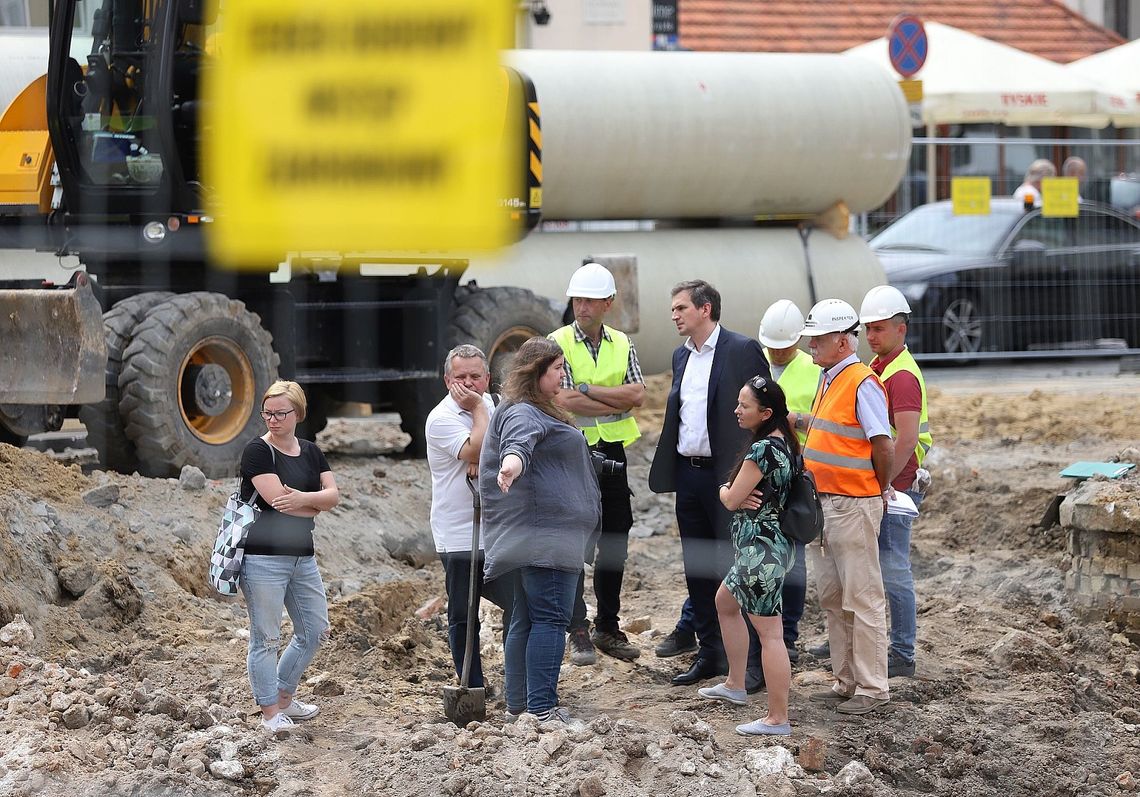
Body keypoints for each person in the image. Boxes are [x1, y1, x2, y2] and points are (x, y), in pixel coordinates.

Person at [648, 280, 770, 690]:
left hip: (730, 478)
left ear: (705, 309)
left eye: (681, 307)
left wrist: (753, 473)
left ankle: (752, 662)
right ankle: (711, 654)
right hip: (690, 475)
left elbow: (766, 412)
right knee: (698, 569)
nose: (674, 314)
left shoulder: (741, 349)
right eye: (673, 308)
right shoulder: (680, 357)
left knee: (738, 568)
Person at [479, 337, 601, 725]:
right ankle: (543, 709)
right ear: (537, 373)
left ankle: (520, 708)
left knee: (526, 618)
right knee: (550, 618)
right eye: (558, 368)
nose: (563, 374)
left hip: (533, 534)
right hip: (546, 536)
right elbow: (519, 444)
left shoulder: (531, 409)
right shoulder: (524, 412)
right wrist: (511, 464)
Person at [798, 299, 894, 716]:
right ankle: (847, 680)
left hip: (852, 505)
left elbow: (882, 444)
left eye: (817, 339)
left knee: (863, 597)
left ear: (841, 340)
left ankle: (872, 689)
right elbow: (836, 434)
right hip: (826, 506)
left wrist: (878, 487)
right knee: (834, 598)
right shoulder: (830, 378)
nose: (811, 346)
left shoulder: (860, 382)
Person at [550, 262, 646, 665]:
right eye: (577, 298)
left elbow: (638, 395)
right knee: (573, 540)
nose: (582, 306)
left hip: (614, 453)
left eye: (590, 299)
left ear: (608, 302)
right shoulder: (556, 342)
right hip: (572, 453)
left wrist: (589, 389)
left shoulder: (621, 342)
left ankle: (607, 626)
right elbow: (564, 400)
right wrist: (613, 397)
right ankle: (577, 628)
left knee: (615, 541)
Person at [697, 375, 797, 737]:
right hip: (768, 548)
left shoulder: (761, 451)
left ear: (765, 412)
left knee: (771, 634)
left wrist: (726, 487)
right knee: (725, 601)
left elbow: (730, 499)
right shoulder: (784, 443)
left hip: (760, 552)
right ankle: (736, 684)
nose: (737, 410)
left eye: (745, 405)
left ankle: (777, 718)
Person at [238, 380, 340, 734]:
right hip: (263, 558)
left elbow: (334, 496)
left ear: (297, 413)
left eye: (281, 413)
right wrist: (312, 503)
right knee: (266, 637)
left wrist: (304, 501)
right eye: (267, 412)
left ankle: (284, 696)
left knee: (314, 630)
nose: (273, 419)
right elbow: (277, 501)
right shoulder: (257, 452)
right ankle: (269, 714)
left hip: (302, 558)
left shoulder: (311, 451)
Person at [426, 344, 513, 689]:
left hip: (495, 528)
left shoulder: (489, 403)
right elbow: (478, 448)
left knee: (517, 601)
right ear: (447, 380)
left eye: (475, 377)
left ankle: (517, 679)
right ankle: (472, 684)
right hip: (458, 532)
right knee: (464, 614)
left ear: (487, 378)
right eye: (460, 377)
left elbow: (502, 443)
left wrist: (481, 448)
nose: (468, 384)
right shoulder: (441, 418)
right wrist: (479, 443)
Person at [860, 286, 934, 679]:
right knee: (879, 565)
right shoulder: (881, 366)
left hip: (897, 483)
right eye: (868, 329)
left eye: (880, 329)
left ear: (901, 329)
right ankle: (882, 643)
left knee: (893, 567)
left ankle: (902, 651)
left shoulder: (901, 376)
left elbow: (905, 439)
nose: (872, 336)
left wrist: (886, 485)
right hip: (888, 480)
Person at [757, 299, 822, 663]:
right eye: (772, 346)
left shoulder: (813, 370)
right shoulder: (757, 364)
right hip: (760, 469)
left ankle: (790, 634)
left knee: (793, 555)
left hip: (795, 471)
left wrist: (794, 418)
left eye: (783, 347)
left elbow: (823, 420)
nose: (777, 353)